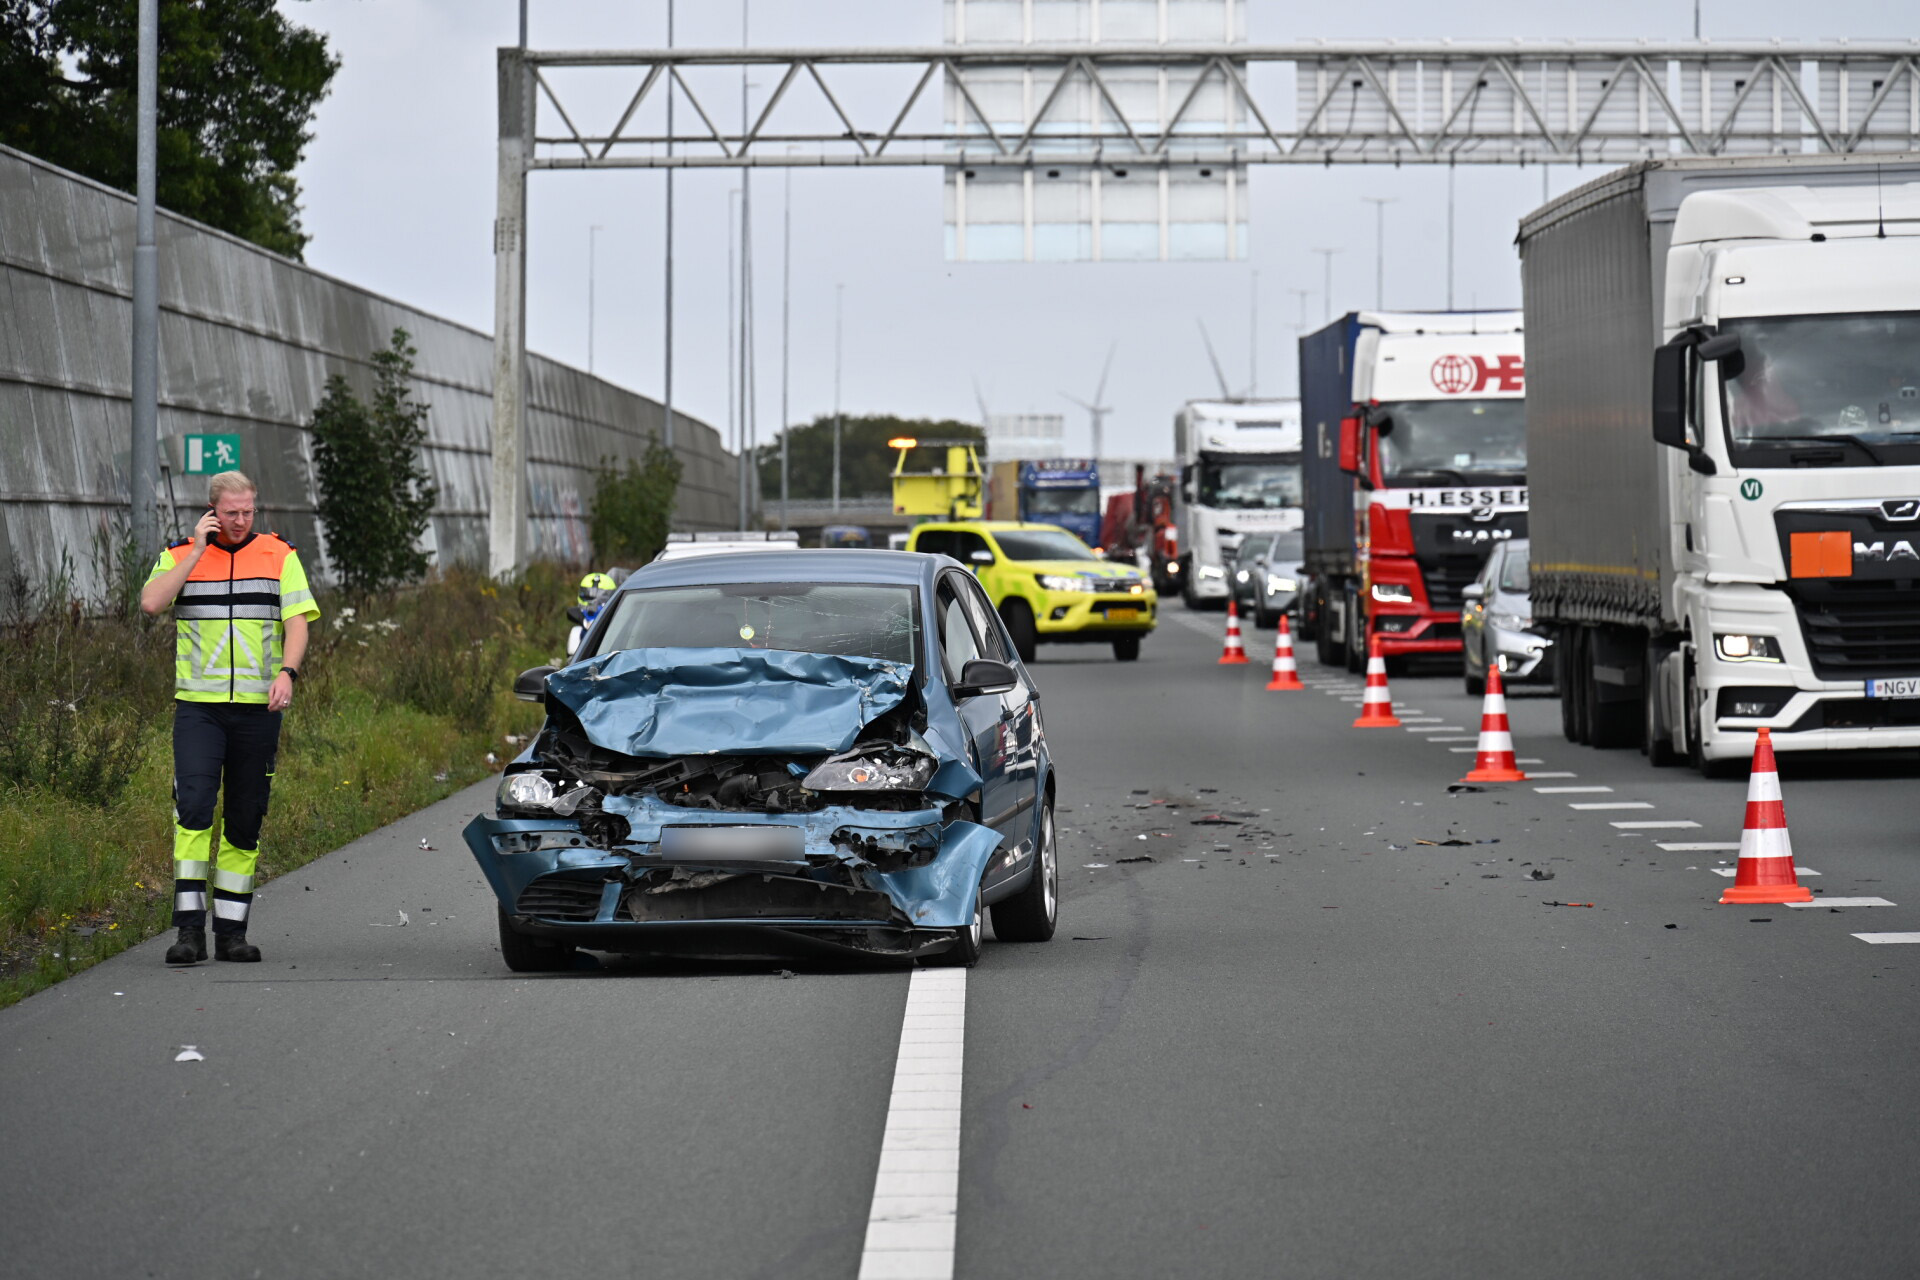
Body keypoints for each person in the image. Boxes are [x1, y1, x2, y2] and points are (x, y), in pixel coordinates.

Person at [140, 471, 320, 964]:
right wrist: (197, 551)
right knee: (194, 811)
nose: (240, 521)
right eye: (230, 513)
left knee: (244, 818)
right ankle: (188, 933)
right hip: (199, 710)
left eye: (247, 512)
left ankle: (232, 934)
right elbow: (151, 602)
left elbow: (297, 623)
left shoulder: (279, 555)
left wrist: (287, 673)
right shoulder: (181, 554)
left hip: (258, 712)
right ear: (212, 511)